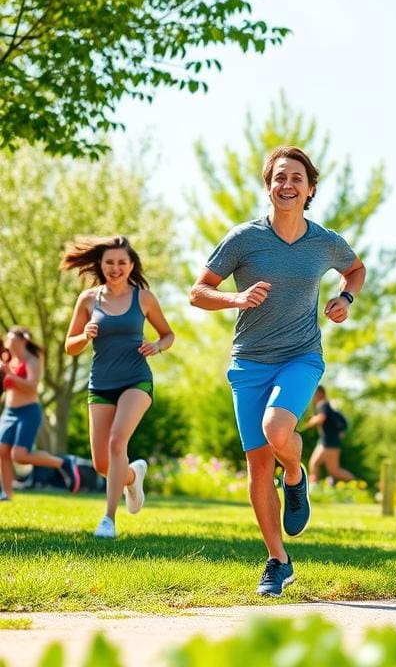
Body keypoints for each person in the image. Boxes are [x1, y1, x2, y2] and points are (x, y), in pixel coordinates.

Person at [190, 144, 365, 597]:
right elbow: (198, 292)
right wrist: (234, 298)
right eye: (279, 178)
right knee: (256, 465)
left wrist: (345, 299)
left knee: (276, 429)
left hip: (301, 356)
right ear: (268, 186)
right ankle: (278, 560)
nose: (287, 185)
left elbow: (355, 269)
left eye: (296, 179)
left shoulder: (323, 241)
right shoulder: (244, 239)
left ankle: (296, 474)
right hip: (248, 361)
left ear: (309, 190)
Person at [61, 236, 175, 538]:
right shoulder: (88, 299)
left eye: (122, 262)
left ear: (131, 265)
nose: (115, 268)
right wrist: (84, 335)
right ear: (100, 264)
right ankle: (132, 476)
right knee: (103, 463)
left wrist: (157, 347)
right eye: (109, 262)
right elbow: (69, 347)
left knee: (116, 443)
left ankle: (108, 520)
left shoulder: (144, 298)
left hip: (136, 379)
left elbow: (167, 334)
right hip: (101, 383)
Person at [0, 327, 81, 501]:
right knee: (2, 450)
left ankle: (63, 463)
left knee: (19, 456)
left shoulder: (32, 360)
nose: (7, 339)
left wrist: (10, 375)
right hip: (9, 412)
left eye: (11, 336)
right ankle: (6, 494)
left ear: (23, 340)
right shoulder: (9, 360)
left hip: (28, 411)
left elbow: (32, 387)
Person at [304, 385, 354, 487]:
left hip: (328, 441)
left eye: (314, 393)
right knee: (332, 470)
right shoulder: (325, 405)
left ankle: (313, 486)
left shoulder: (322, 404)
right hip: (330, 441)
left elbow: (321, 418)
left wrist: (309, 423)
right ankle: (355, 483)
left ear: (320, 393)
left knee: (317, 465)